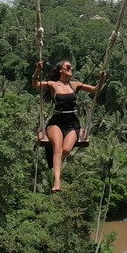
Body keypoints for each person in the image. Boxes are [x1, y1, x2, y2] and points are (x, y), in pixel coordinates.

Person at [32, 59, 105, 192]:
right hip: (56, 122)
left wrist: (101, 79)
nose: (71, 69)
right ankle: (57, 182)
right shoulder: (53, 84)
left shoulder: (75, 85)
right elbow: (35, 84)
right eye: (68, 67)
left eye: (72, 68)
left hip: (72, 123)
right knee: (58, 148)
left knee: (65, 151)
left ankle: (56, 161)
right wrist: (38, 70)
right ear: (61, 70)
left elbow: (95, 90)